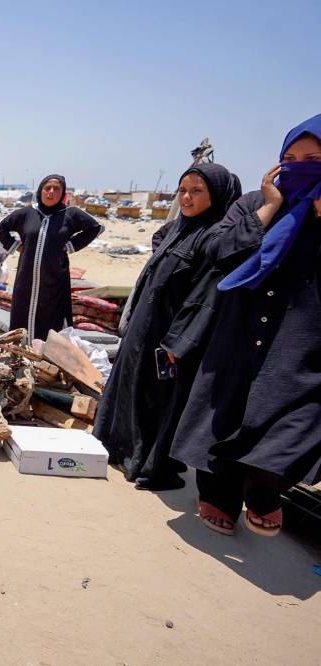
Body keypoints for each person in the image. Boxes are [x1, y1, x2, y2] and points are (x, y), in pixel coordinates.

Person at [171, 114, 321, 537]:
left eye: (313, 160)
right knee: (223, 411)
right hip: (238, 330)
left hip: (300, 338)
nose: (299, 167)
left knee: (296, 421)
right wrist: (270, 209)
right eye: (291, 158)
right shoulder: (254, 202)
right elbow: (218, 250)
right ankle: (218, 495)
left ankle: (264, 489)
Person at [93, 164, 242, 491]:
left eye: (197, 191)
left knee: (157, 400)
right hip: (143, 328)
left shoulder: (213, 237)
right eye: (182, 190)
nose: (186, 198)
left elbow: (205, 298)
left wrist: (179, 341)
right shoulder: (178, 229)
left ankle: (150, 463)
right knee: (130, 387)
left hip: (169, 336)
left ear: (216, 195)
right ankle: (122, 449)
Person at [0, 175, 104, 340]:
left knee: (52, 319)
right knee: (22, 316)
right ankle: (22, 348)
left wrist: (71, 245)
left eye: (56, 189)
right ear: (40, 190)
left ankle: (47, 350)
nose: (51, 192)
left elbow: (97, 227)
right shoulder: (27, 213)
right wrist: (15, 246)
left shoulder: (70, 214)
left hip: (54, 280)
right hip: (26, 279)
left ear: (63, 193)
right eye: (47, 188)